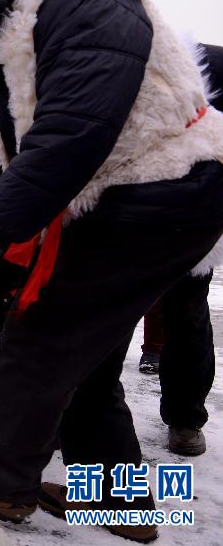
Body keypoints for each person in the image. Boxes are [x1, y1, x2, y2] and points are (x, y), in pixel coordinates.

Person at [0, 0, 223, 542]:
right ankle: (119, 500)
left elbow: (70, 139)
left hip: (164, 183)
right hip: (129, 196)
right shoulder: (0, 57)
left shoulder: (80, 8)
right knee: (84, 358)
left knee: (39, 328)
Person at [136, 43, 223, 457]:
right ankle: (85, 416)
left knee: (187, 311)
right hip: (130, 206)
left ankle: (186, 417)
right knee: (101, 315)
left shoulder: (216, 74)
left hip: (197, 215)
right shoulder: (136, 78)